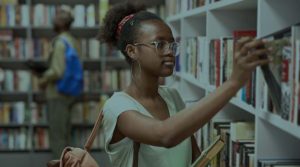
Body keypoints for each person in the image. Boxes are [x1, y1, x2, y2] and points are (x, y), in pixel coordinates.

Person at [98, 2, 271, 167]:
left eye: (172, 45)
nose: (170, 52)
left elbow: (195, 157)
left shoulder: (172, 96)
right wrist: (233, 82)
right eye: (160, 44)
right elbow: (165, 135)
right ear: (132, 51)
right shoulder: (117, 107)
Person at [37, 7, 81, 158]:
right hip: (70, 93)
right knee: (66, 135)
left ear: (61, 23)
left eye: (56, 18)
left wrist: (42, 79)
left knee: (57, 137)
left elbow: (57, 70)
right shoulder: (73, 41)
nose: (53, 20)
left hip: (57, 93)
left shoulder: (60, 42)